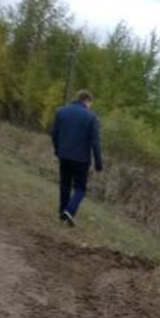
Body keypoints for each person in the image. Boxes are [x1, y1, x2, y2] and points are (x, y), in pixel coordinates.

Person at [51, 89, 103, 226]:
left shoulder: (61, 111)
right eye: (90, 103)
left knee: (65, 185)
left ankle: (62, 213)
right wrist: (98, 163)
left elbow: (54, 133)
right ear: (86, 100)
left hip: (64, 155)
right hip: (81, 159)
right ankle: (70, 210)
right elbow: (95, 142)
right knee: (80, 188)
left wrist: (57, 150)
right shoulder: (91, 117)